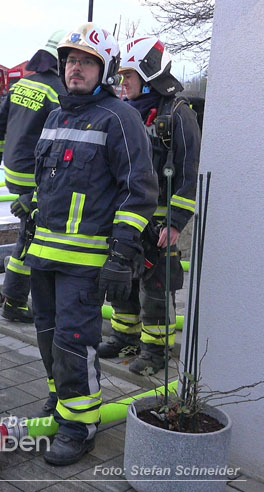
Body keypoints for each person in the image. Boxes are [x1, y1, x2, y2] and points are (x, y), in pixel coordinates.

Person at [25, 23, 158, 465]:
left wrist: (121, 254)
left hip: (84, 263)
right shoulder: (55, 116)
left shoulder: (121, 118)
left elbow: (137, 191)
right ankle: (62, 402)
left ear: (105, 70)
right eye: (70, 61)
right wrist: (29, 216)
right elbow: (48, 184)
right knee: (46, 338)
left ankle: (80, 426)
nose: (74, 69)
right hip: (43, 255)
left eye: (85, 62)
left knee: (72, 342)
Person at [97, 37, 200, 374]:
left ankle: (156, 351)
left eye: (129, 76)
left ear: (150, 74)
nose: (122, 83)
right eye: (120, 76)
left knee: (156, 291)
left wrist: (175, 222)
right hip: (123, 220)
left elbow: (188, 172)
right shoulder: (119, 114)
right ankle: (124, 336)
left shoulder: (177, 116)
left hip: (157, 224)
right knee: (121, 285)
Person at [0, 30, 67, 326]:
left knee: (30, 232)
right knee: (31, 236)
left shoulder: (22, 84)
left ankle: (21, 297)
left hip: (14, 172)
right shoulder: (59, 92)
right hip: (37, 177)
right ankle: (15, 301)